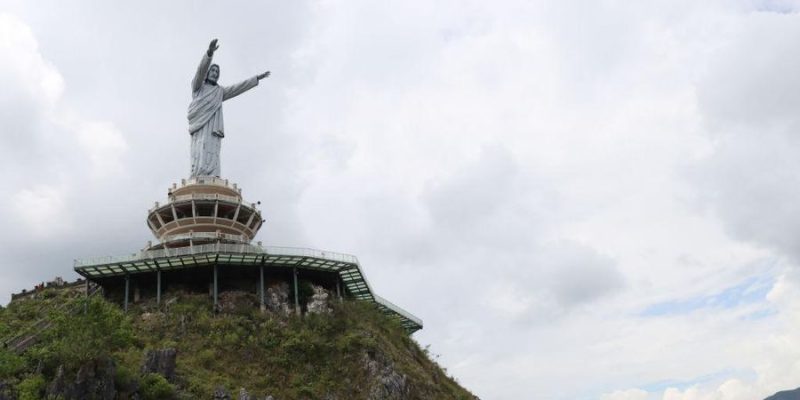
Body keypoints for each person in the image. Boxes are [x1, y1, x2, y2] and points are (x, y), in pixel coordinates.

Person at [187, 39, 270, 177]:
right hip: (199, 126)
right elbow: (200, 71)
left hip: (213, 129)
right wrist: (209, 53)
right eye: (212, 70)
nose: (214, 73)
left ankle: (213, 175)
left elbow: (238, 88)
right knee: (200, 149)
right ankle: (198, 174)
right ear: (207, 73)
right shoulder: (198, 88)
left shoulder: (220, 92)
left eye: (217, 72)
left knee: (212, 149)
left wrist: (256, 79)